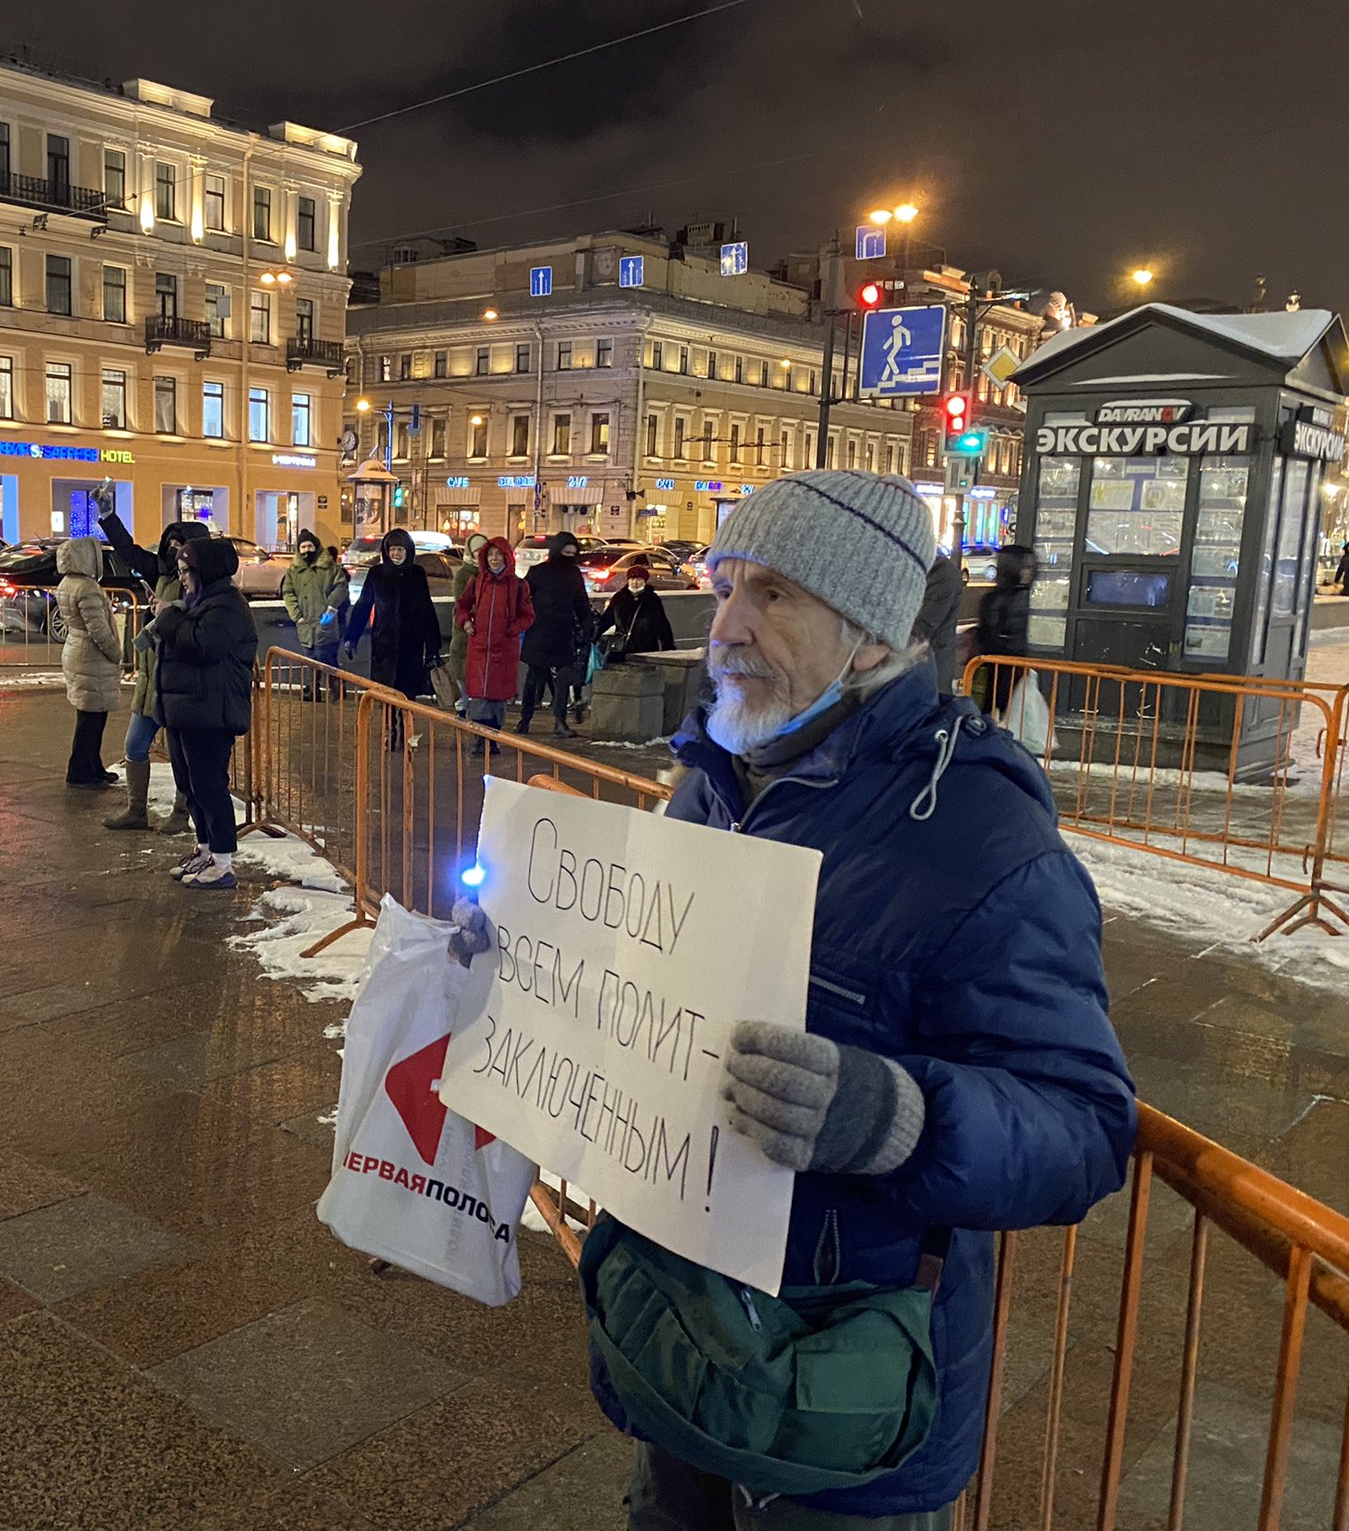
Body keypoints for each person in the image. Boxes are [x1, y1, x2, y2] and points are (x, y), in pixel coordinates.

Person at [453, 470, 1135, 1531]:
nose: (723, 625)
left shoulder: (981, 839)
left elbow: (1084, 1132)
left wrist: (892, 1116)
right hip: (682, 1341)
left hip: (837, 1400)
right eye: (724, 585)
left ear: (867, 633)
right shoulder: (715, 779)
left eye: (770, 594)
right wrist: (535, 952)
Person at [98, 501, 212, 833]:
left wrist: (170, 609)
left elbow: (202, 623)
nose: (175, 553)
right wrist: (108, 516)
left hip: (179, 681)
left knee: (183, 754)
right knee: (134, 745)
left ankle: (181, 810)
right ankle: (136, 810)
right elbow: (129, 551)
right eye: (170, 546)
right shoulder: (161, 572)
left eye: (182, 547)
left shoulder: (204, 582)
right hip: (151, 679)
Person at [152, 536, 258, 890]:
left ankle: (224, 861)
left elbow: (203, 646)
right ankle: (206, 847)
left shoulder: (227, 606)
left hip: (211, 712)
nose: (182, 578)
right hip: (188, 710)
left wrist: (169, 619)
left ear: (204, 571)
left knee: (210, 786)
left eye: (186, 571)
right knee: (190, 785)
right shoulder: (200, 601)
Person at [343, 528, 441, 749]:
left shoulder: (417, 575)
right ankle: (389, 730)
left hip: (410, 645)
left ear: (408, 551)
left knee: (407, 695)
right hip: (384, 644)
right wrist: (352, 636)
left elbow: (427, 610)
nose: (396, 554)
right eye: (393, 549)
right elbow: (363, 606)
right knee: (386, 694)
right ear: (386, 552)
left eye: (400, 549)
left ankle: (407, 731)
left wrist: (433, 645)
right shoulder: (377, 574)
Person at [453, 536, 533, 754]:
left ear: (506, 557)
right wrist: (465, 622)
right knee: (478, 695)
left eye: (498, 555)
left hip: (504, 649)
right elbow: (461, 606)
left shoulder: (518, 585)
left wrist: (513, 629)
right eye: (490, 555)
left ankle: (493, 738)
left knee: (497, 697)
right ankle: (479, 739)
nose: (494, 559)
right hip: (479, 648)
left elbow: (528, 616)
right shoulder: (477, 582)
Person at [54, 534, 124, 787]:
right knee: (91, 720)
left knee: (91, 717)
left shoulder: (68, 583)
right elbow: (99, 630)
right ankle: (81, 771)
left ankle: (92, 765)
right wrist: (116, 653)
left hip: (78, 651)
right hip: (91, 657)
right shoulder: (86, 588)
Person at [518, 529, 595, 737]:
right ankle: (525, 719)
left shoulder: (574, 574)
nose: (569, 558)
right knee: (534, 678)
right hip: (539, 632)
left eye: (572, 554)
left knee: (563, 678)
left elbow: (581, 602)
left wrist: (587, 625)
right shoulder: (538, 572)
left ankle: (559, 721)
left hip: (563, 634)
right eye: (566, 553)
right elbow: (523, 598)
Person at [280, 528, 349, 697]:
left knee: (324, 655)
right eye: (303, 547)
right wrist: (297, 615)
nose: (307, 550)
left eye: (310, 546)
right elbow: (288, 592)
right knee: (310, 657)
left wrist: (331, 606)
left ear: (316, 547)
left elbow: (341, 586)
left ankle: (336, 687)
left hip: (325, 618)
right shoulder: (294, 570)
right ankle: (314, 689)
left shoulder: (328, 567)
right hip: (305, 622)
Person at [975, 544, 1035, 719]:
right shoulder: (1018, 598)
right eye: (1024, 567)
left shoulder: (995, 597)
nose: (1027, 572)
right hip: (1007, 667)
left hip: (999, 666)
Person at [597, 559, 678, 660]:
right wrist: (594, 636)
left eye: (639, 579)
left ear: (644, 581)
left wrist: (668, 646)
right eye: (632, 579)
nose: (635, 582)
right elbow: (607, 619)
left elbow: (661, 623)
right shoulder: (620, 598)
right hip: (622, 648)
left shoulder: (652, 599)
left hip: (646, 648)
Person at [448, 531, 490, 716]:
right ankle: (462, 707)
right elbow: (461, 602)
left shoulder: (492, 573)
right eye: (477, 551)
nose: (480, 555)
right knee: (464, 670)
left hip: (488, 632)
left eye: (484, 550)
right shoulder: (465, 574)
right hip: (466, 631)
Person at [912, 548, 964, 694]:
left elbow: (923, 627)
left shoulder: (942, 574)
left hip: (931, 670)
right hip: (917, 668)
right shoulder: (921, 571)